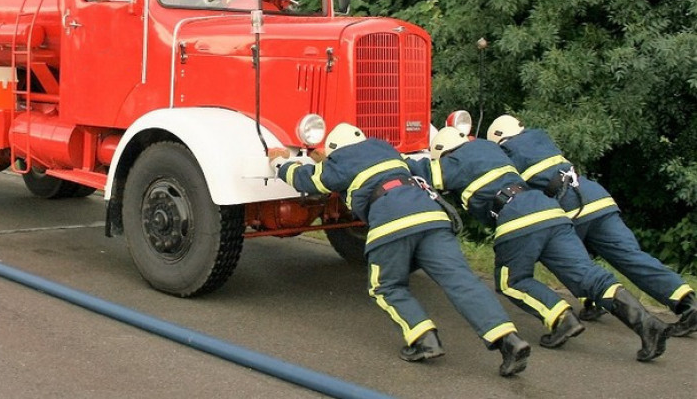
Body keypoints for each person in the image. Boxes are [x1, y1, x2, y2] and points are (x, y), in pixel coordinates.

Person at [268, 123, 532, 377]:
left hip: (392, 221)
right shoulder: (386, 150)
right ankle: (508, 340)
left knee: (385, 286)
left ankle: (423, 339)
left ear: (335, 151)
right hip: (432, 217)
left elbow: (306, 179)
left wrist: (280, 162)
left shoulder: (340, 162)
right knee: (462, 281)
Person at [410, 127, 669, 362]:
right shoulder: (492, 149)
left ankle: (560, 318)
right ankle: (647, 325)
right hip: (552, 211)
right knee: (588, 275)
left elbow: (418, 171)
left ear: (442, 153)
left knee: (511, 281)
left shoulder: (452, 162)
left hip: (516, 218)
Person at [487, 114, 696, 337]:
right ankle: (687, 303)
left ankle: (593, 302)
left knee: (570, 262)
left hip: (568, 205)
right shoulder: (540, 137)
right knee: (632, 257)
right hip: (597, 198)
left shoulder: (507, 152)